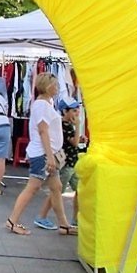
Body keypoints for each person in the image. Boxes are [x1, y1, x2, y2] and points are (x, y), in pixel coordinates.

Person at [4, 73, 77, 236]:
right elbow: (43, 131)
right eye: (55, 85)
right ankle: (12, 221)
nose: (57, 88)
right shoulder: (42, 105)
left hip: (46, 153)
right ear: (48, 86)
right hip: (43, 154)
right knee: (33, 187)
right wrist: (50, 156)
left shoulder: (45, 104)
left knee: (56, 188)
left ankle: (64, 224)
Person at [34, 98, 82, 229]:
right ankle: (42, 216)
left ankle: (75, 219)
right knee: (56, 191)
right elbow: (75, 142)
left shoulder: (66, 125)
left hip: (72, 163)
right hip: (66, 165)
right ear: (65, 111)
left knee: (78, 190)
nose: (77, 113)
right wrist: (78, 126)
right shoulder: (64, 125)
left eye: (77, 110)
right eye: (73, 110)